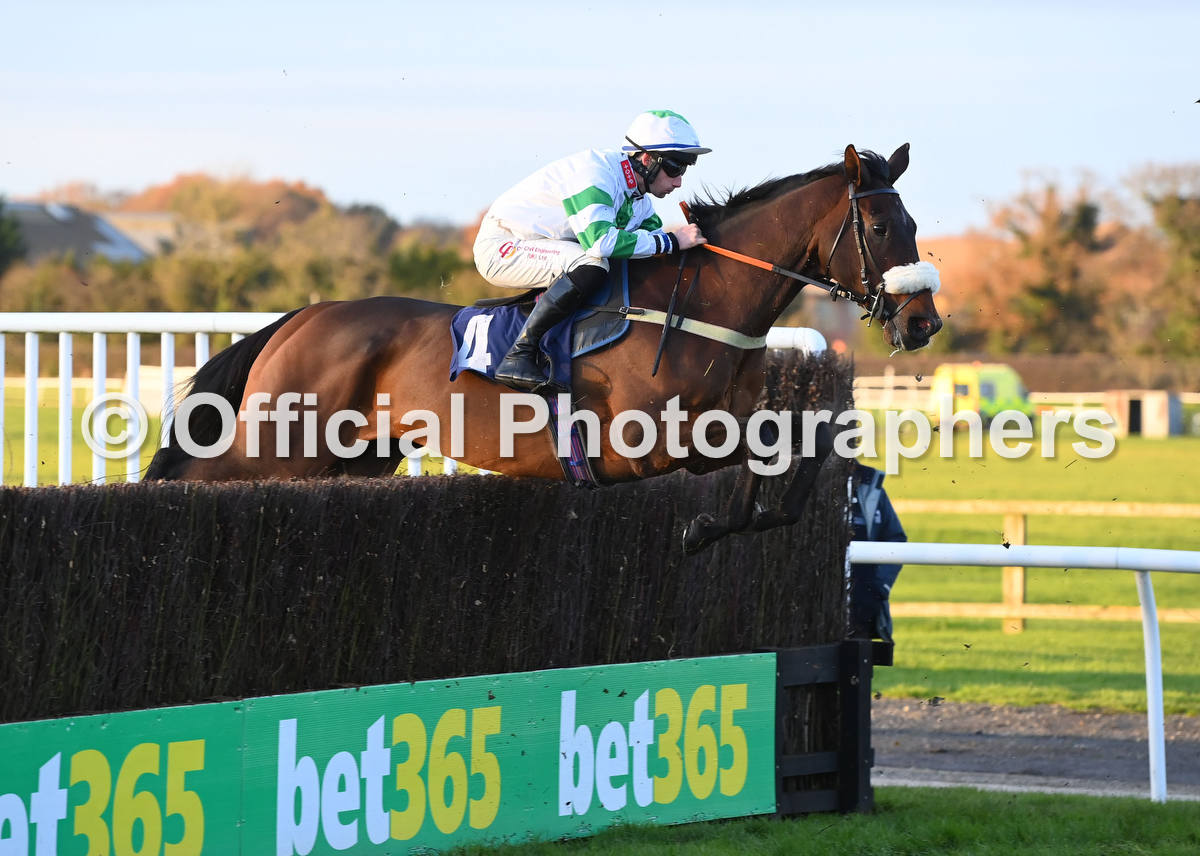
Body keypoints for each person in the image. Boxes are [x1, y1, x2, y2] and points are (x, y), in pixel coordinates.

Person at [473, 110, 711, 391]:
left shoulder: (639, 201)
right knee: (594, 262)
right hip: (503, 248)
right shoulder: (596, 174)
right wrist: (672, 241)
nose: (679, 181)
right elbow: (600, 242)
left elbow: (656, 246)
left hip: (542, 245)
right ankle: (519, 354)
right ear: (647, 160)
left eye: (684, 170)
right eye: (675, 168)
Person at [848, 462, 907, 641]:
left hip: (862, 605)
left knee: (856, 665)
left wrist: (879, 587)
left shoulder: (871, 486)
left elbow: (896, 539)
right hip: (820, 606)